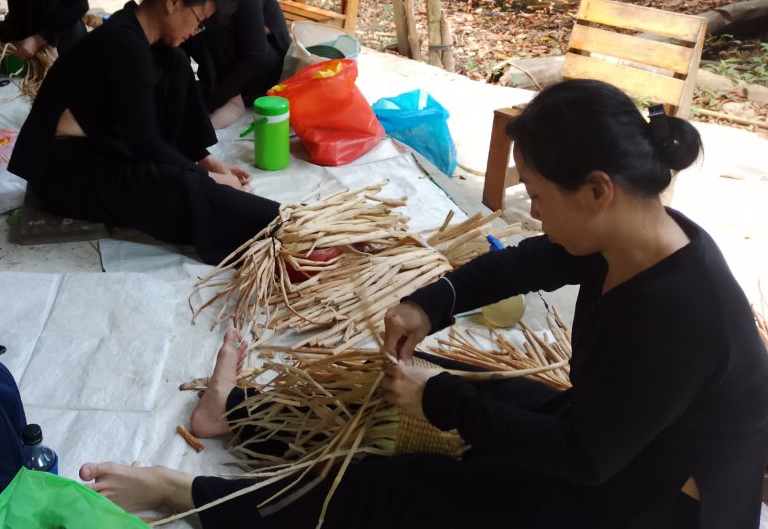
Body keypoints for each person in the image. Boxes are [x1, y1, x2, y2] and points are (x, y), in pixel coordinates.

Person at [79, 79, 768, 528]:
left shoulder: (682, 315)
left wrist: (440, 400)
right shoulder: (638, 234)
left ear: (597, 190)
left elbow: (586, 459)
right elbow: (534, 261)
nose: (529, 210)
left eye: (539, 195)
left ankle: (188, 498)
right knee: (425, 402)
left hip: (647, 505)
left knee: (407, 487)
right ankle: (235, 413)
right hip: (616, 444)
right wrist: (431, 302)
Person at [7, 0, 280, 264]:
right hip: (64, 174)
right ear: (174, 1)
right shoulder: (124, 44)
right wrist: (209, 181)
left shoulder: (140, 35)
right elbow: (145, 144)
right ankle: (277, 225)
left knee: (176, 63)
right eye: (198, 21)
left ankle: (225, 189)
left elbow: (151, 133)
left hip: (101, 144)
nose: (195, 31)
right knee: (179, 185)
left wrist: (210, 165)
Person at [128, 0, 291, 129]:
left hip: (264, 67)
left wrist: (209, 101)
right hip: (228, 66)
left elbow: (254, 52)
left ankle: (231, 99)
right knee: (177, 22)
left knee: (196, 20)